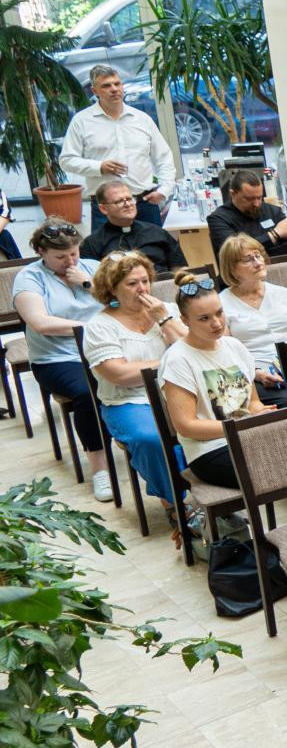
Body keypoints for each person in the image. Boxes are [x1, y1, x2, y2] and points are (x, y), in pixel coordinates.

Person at [158, 271, 287, 515]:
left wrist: (261, 412)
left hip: (248, 436)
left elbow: (252, 403)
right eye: (204, 318)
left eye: (219, 313)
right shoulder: (178, 359)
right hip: (210, 451)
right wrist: (240, 425)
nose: (216, 323)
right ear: (184, 320)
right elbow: (186, 426)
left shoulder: (234, 346)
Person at [83, 251, 186, 537]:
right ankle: (177, 504)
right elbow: (119, 374)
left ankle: (213, 493)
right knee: (151, 438)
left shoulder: (167, 310)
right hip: (126, 401)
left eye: (145, 281)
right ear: (112, 289)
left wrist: (165, 320)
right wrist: (167, 362)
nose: (142, 289)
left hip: (175, 391)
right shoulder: (99, 325)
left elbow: (193, 349)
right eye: (132, 283)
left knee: (215, 424)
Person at [13, 220, 113, 499]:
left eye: (74, 253)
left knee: (144, 378)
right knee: (87, 391)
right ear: (41, 252)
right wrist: (91, 328)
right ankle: (101, 469)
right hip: (56, 357)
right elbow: (40, 322)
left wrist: (87, 283)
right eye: (60, 257)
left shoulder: (92, 268)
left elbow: (120, 303)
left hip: (103, 348)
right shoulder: (29, 278)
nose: (70, 261)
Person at [59, 65, 175, 231]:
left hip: (144, 204)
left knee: (155, 248)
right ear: (94, 91)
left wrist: (164, 190)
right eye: (106, 86)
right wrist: (99, 167)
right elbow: (67, 160)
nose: (114, 89)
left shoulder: (142, 119)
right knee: (108, 249)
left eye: (117, 84)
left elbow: (164, 158)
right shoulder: (81, 121)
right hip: (105, 208)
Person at [217, 234, 287, 409]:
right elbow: (225, 351)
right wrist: (257, 374)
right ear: (232, 268)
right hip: (254, 373)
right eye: (248, 259)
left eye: (258, 256)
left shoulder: (285, 294)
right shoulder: (221, 303)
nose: (258, 263)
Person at [79, 181, 185, 272]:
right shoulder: (92, 244)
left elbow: (181, 269)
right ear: (103, 209)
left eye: (130, 199)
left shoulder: (157, 232)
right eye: (119, 201)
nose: (128, 204)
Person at [207, 168, 287, 260]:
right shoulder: (218, 219)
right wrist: (274, 235)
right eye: (249, 199)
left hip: (281, 267)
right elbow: (234, 254)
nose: (256, 204)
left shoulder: (274, 211)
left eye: (259, 197)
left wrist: (253, 251)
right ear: (233, 194)